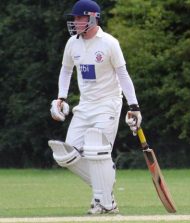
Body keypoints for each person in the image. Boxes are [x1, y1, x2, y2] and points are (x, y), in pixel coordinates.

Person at [48, 0, 141, 215]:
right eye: (75, 18)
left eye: (80, 18)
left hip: (108, 103)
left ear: (93, 18)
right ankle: (106, 190)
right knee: (66, 154)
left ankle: (105, 203)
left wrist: (134, 105)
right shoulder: (72, 43)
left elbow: (123, 75)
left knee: (95, 148)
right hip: (85, 105)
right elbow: (65, 71)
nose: (76, 22)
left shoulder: (109, 43)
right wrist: (61, 97)